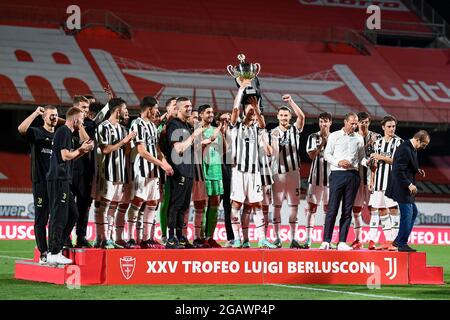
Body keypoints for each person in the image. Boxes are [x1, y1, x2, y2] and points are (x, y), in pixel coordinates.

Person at [229, 81, 275, 249]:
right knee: (236, 205)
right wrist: (241, 90)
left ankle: (261, 239)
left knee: (257, 205)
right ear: (244, 109)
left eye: (253, 107)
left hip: (254, 173)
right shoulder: (236, 126)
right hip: (239, 172)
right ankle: (237, 238)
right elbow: (234, 111)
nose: (251, 109)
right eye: (248, 107)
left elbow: (263, 124)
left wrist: (256, 108)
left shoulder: (258, 127)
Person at [46, 107, 94, 265]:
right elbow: (65, 156)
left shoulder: (67, 133)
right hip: (59, 179)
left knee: (73, 214)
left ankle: (57, 247)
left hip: (64, 179)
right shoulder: (65, 132)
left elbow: (75, 152)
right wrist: (81, 149)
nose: (82, 122)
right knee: (59, 215)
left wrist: (82, 150)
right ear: (75, 119)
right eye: (81, 119)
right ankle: (54, 252)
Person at [127, 96, 173, 249]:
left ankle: (147, 239)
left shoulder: (152, 126)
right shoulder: (137, 123)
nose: (157, 111)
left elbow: (157, 149)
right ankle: (131, 238)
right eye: (155, 108)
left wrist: (165, 164)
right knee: (138, 201)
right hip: (142, 169)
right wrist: (161, 164)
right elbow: (141, 150)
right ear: (148, 109)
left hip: (154, 171)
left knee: (153, 202)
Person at [18, 105, 59, 264]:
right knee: (41, 219)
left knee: (57, 218)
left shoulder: (59, 135)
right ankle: (43, 252)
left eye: (55, 115)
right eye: (50, 115)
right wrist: (35, 112)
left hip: (56, 183)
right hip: (41, 182)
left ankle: (55, 250)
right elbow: (21, 129)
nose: (54, 118)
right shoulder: (37, 132)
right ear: (44, 117)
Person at [94, 98, 136, 249]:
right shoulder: (103, 127)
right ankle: (101, 238)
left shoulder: (124, 129)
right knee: (104, 207)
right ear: (118, 110)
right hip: (107, 173)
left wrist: (130, 142)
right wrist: (124, 141)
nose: (126, 111)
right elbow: (105, 149)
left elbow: (126, 153)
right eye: (125, 108)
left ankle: (108, 237)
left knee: (112, 207)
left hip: (120, 174)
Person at [321, 112, 365, 251]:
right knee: (332, 208)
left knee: (347, 210)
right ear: (345, 122)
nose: (354, 125)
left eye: (356, 123)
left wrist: (369, 161)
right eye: (352, 123)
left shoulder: (359, 138)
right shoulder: (334, 136)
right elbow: (327, 154)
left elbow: (361, 158)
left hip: (353, 175)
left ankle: (341, 242)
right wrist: (339, 162)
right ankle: (326, 241)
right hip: (337, 174)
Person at [165, 97, 204, 248]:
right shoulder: (174, 125)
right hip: (178, 171)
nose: (190, 108)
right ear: (179, 108)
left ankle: (180, 237)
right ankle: (170, 238)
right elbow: (178, 149)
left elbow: (192, 148)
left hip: (188, 171)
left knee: (184, 206)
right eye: (186, 106)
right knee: (175, 205)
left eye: (190, 106)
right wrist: (194, 135)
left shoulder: (186, 125)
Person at [269, 94, 305, 249]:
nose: (284, 117)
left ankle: (293, 238)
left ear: (290, 117)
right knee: (276, 206)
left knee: (294, 207)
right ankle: (277, 238)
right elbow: (271, 153)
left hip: (293, 174)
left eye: (286, 115)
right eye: (282, 115)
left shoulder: (295, 129)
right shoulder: (272, 132)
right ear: (278, 117)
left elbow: (302, 116)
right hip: (278, 174)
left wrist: (291, 102)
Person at [386, 130, 429, 252]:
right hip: (402, 188)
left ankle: (398, 240)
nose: (424, 148)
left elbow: (406, 165)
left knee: (413, 212)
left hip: (405, 188)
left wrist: (417, 169)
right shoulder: (404, 149)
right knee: (407, 215)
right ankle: (401, 243)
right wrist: (409, 185)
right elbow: (397, 171)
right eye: (424, 144)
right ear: (417, 140)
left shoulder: (412, 148)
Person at [367, 115, 402, 251]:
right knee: (381, 209)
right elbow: (374, 164)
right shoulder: (378, 143)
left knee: (393, 208)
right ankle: (388, 240)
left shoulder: (399, 142)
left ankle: (395, 240)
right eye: (389, 126)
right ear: (383, 127)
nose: (392, 129)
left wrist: (380, 156)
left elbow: (397, 161)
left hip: (392, 182)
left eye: (393, 126)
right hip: (378, 183)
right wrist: (372, 180)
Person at [351, 112, 381, 250]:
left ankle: (372, 240)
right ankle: (358, 240)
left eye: (366, 122)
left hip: (371, 178)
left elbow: (381, 157)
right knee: (356, 209)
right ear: (357, 123)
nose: (363, 124)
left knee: (373, 209)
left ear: (369, 123)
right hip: (356, 178)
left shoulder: (377, 137)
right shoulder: (351, 136)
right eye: (361, 122)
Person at [303, 112, 332, 249]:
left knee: (328, 210)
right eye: (321, 121)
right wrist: (321, 145)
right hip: (315, 179)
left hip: (331, 180)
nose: (323, 124)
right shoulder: (312, 137)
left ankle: (326, 240)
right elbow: (311, 156)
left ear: (330, 123)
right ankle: (308, 239)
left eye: (325, 121)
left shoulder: (336, 138)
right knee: (311, 209)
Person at [199, 104, 224, 248]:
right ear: (201, 114)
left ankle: (210, 237)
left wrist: (223, 132)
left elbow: (223, 151)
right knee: (201, 204)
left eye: (212, 112)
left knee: (215, 202)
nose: (211, 114)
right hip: (203, 170)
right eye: (208, 112)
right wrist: (206, 141)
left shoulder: (217, 131)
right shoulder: (197, 130)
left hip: (216, 170)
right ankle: (201, 237)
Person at [157, 97, 178, 245]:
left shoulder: (179, 124)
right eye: (174, 105)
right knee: (164, 202)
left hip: (178, 168)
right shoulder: (161, 126)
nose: (177, 108)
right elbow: (157, 142)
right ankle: (163, 235)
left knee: (176, 203)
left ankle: (176, 234)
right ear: (168, 108)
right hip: (163, 168)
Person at [217, 112, 234, 247]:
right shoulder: (212, 133)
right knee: (211, 207)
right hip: (214, 174)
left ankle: (231, 237)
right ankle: (205, 237)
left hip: (229, 175)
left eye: (228, 120)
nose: (226, 122)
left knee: (229, 208)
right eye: (223, 120)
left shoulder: (233, 134)